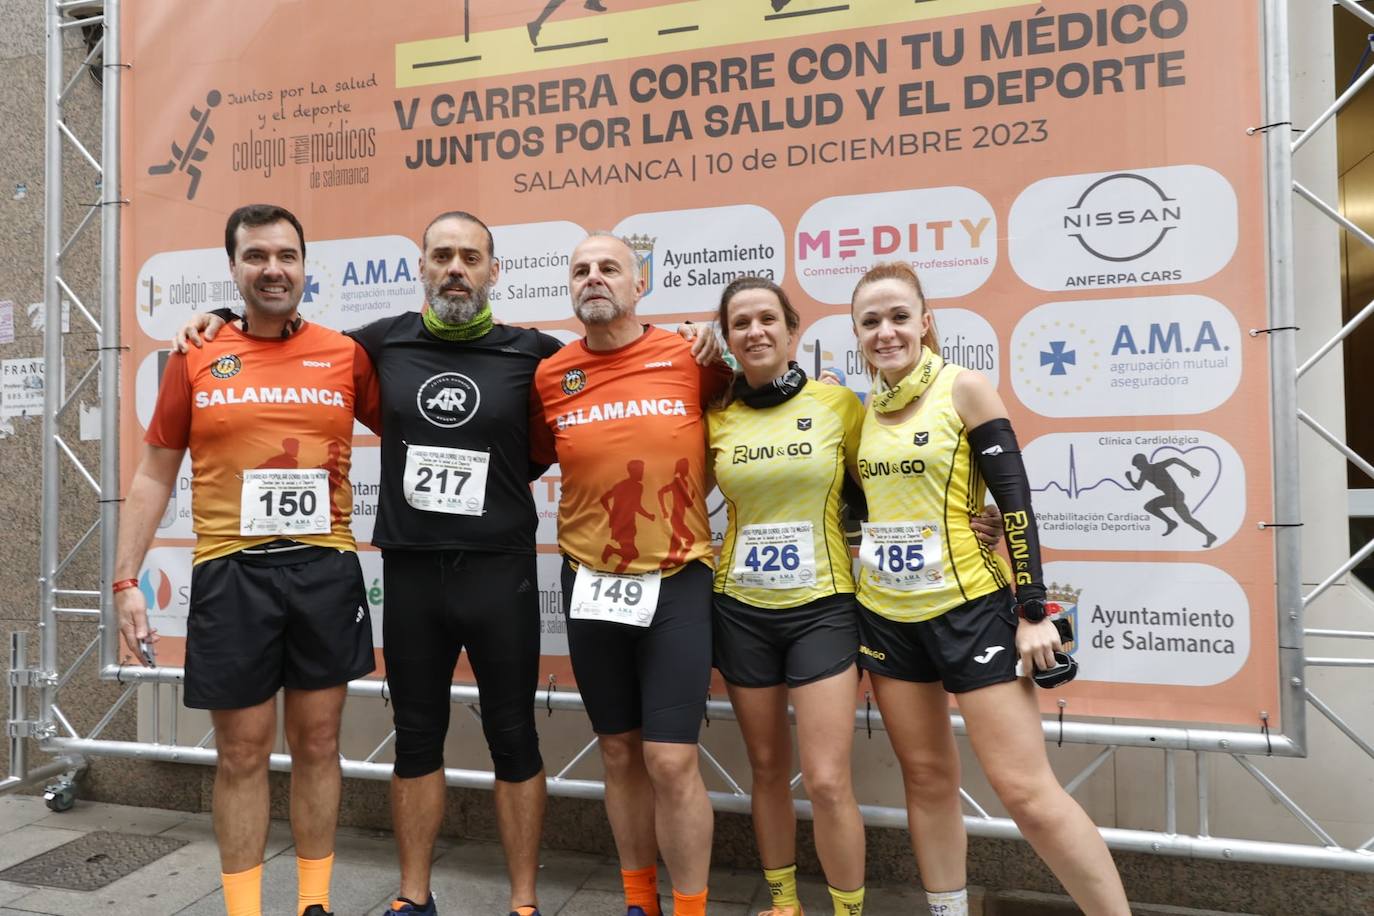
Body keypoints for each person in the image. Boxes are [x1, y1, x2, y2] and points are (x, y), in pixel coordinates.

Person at [177, 213, 718, 916]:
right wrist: (219, 316)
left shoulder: (540, 357)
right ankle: (412, 897)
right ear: (422, 269)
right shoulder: (374, 346)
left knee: (514, 735)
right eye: (442, 256)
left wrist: (704, 342)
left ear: (496, 272)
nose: (456, 268)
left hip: (502, 571)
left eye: (470, 257)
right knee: (418, 738)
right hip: (412, 571)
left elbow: (619, 388)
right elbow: (284, 334)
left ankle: (525, 900)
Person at [116, 204, 381, 916]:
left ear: (305, 264)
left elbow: (421, 416)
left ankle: (314, 903)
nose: (273, 269)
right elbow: (152, 475)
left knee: (320, 742)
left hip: (324, 568)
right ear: (233, 268)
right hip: (232, 572)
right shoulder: (195, 354)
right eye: (256, 256)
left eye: (286, 256)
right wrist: (124, 580)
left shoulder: (345, 354)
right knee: (240, 752)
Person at [847, 262, 1130, 916]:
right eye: (870, 321)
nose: (885, 331)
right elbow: (865, 508)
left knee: (1026, 792)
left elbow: (1017, 505)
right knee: (926, 780)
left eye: (897, 317)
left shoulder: (964, 387)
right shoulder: (864, 413)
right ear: (856, 333)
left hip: (973, 609)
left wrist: (1031, 611)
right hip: (888, 619)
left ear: (924, 322)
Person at [529, 233, 732, 916]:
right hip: (590, 581)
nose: (593, 278)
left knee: (671, 760)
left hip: (676, 578)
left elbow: (761, 403)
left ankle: (693, 907)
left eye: (609, 267)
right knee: (618, 752)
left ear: (639, 284)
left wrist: (720, 343)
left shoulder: (691, 356)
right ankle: (638, 902)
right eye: (580, 270)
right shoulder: (552, 374)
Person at [706, 277, 868, 916]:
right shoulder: (717, 415)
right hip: (741, 609)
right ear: (728, 338)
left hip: (823, 607)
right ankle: (782, 903)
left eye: (767, 318)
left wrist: (971, 521)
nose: (755, 331)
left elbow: (882, 488)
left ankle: (848, 910)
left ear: (792, 327)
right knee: (768, 770)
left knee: (827, 780)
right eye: (740, 322)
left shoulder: (839, 406)